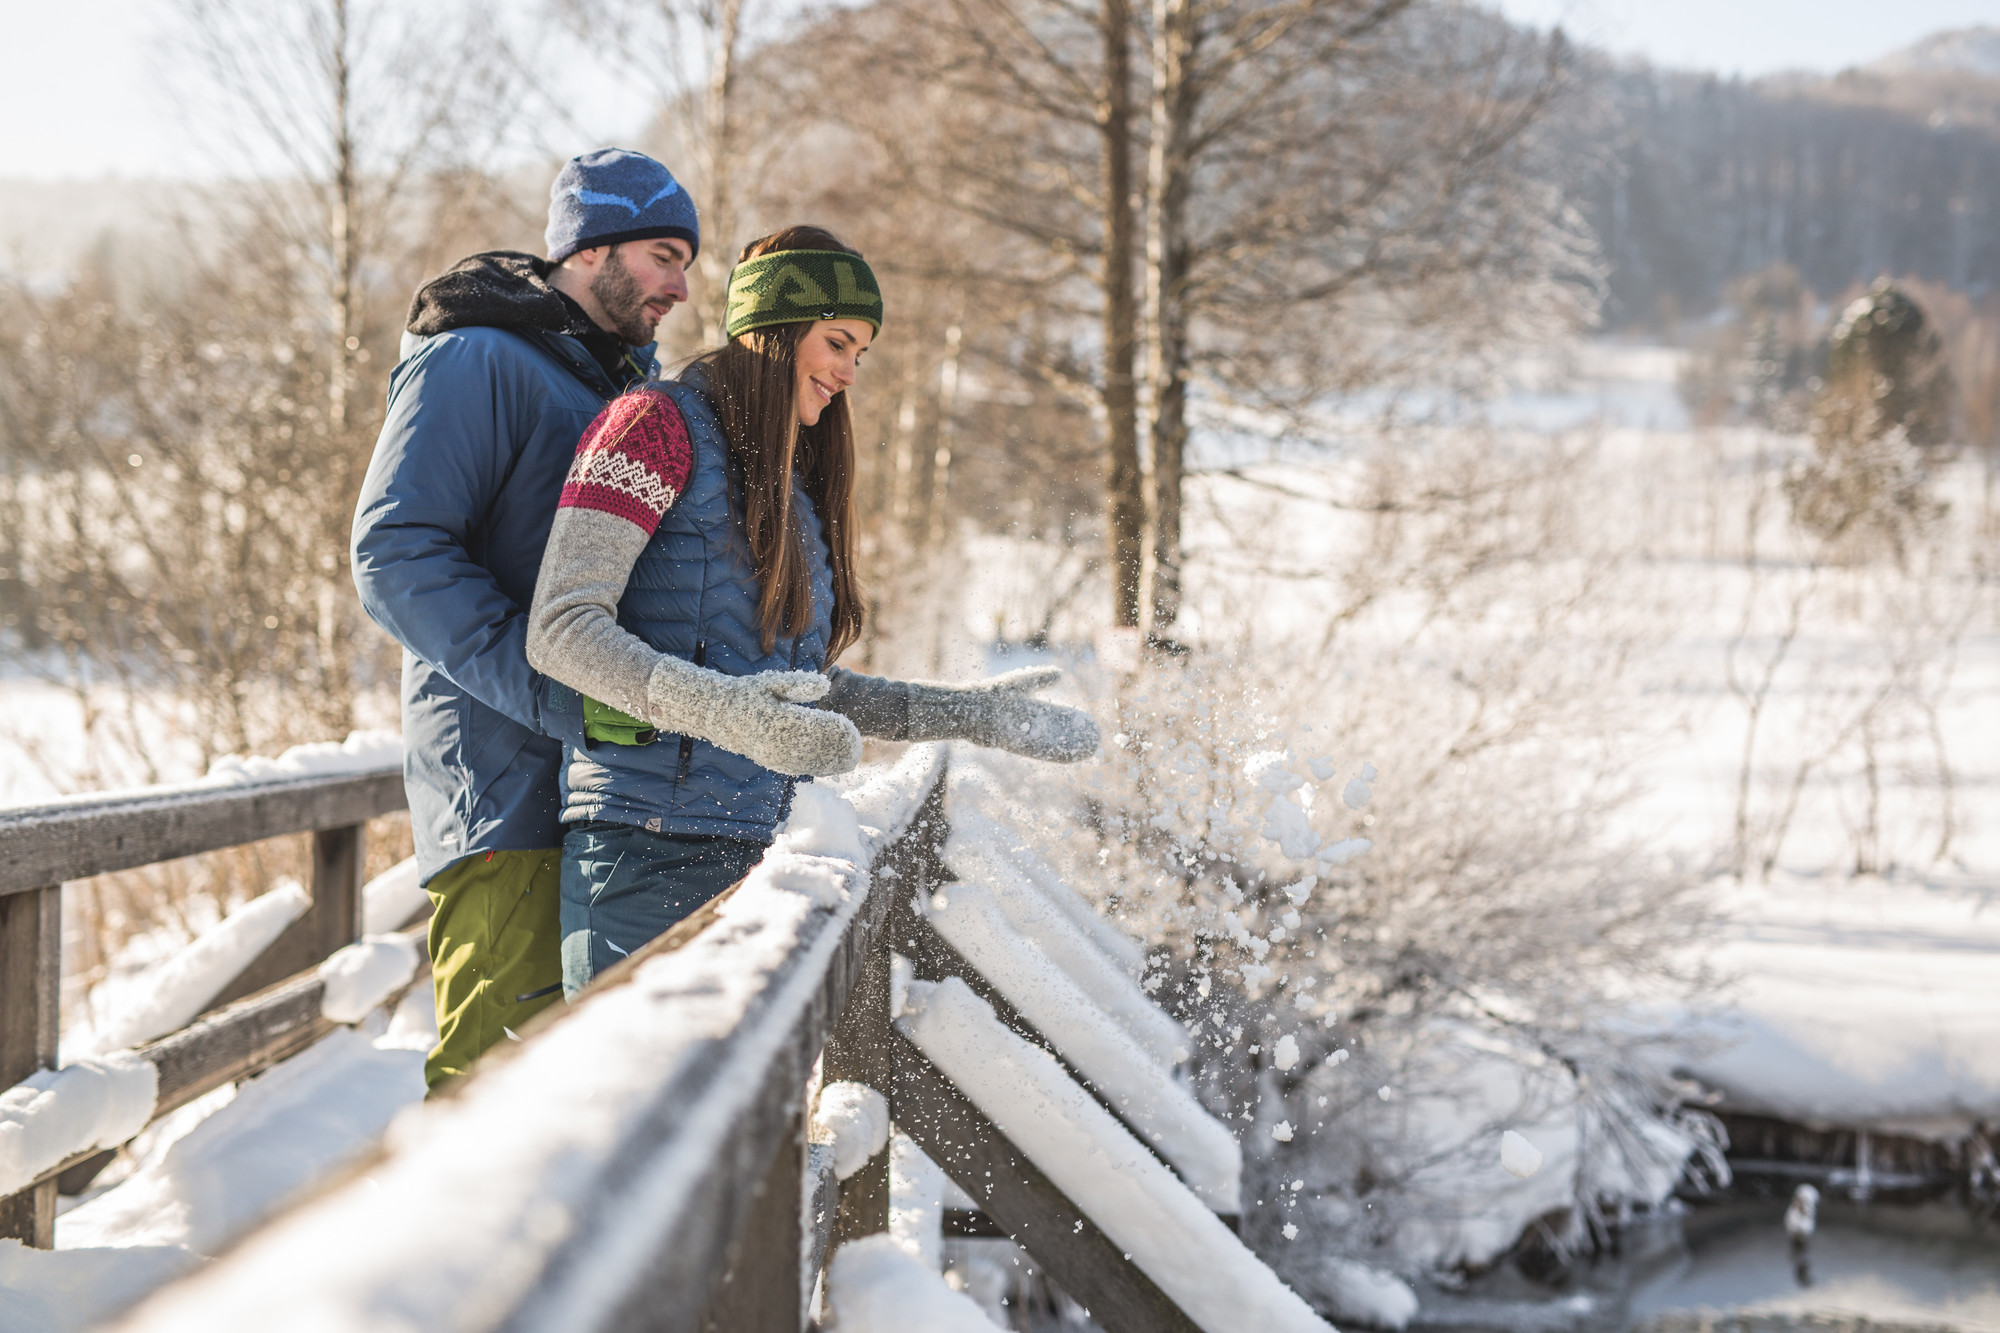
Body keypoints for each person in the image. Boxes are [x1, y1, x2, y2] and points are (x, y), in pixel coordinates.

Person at [525, 224, 1099, 995]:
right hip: (643, 850)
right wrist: (731, 713)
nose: (849, 372)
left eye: (861, 353)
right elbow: (562, 630)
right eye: (837, 342)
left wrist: (964, 716)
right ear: (775, 329)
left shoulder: (793, 487)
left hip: (762, 854)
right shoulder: (651, 428)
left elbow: (800, 689)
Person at [351, 148, 700, 1089]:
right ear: (593, 249)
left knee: (573, 1088)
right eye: (664, 255)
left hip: (596, 781)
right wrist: (549, 689)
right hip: (501, 777)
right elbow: (396, 552)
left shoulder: (608, 382)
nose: (678, 285)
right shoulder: (478, 357)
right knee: (490, 1088)